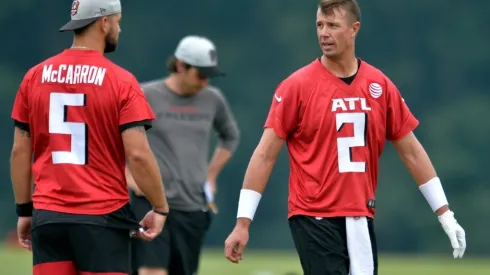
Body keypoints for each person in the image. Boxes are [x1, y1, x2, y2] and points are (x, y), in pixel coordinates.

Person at [224, 0, 466, 274]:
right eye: (319, 25)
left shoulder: (379, 85)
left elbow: (411, 150)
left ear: (354, 29)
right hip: (313, 214)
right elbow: (265, 155)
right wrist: (243, 222)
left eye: (333, 25)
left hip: (360, 214)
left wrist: (445, 213)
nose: (323, 33)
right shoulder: (297, 86)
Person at [10, 0, 169, 274]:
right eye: (118, 22)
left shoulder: (33, 77)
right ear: (104, 22)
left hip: (48, 216)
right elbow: (138, 154)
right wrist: (160, 207)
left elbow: (19, 152)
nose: (119, 29)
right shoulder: (122, 82)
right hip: (102, 216)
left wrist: (25, 210)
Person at [127, 35, 240, 275]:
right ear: (180, 65)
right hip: (149, 202)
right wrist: (128, 176)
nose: (204, 81)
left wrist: (211, 175)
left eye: (208, 75)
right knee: (151, 271)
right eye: (200, 74)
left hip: (192, 206)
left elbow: (230, 136)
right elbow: (114, 140)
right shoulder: (146, 95)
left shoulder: (213, 99)